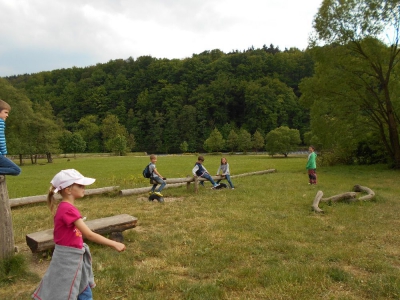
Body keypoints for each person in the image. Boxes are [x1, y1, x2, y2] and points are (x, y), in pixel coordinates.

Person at [32, 169, 126, 300]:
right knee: (66, 290)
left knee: (81, 287)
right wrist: (114, 243)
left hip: (74, 257)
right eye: (80, 185)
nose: (84, 188)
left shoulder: (65, 207)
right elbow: (89, 234)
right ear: (68, 190)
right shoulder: (68, 209)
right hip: (68, 258)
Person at [0, 99, 21, 176]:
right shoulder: (0, 123)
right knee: (16, 170)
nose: (7, 115)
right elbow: (1, 140)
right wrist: (4, 153)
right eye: (5, 112)